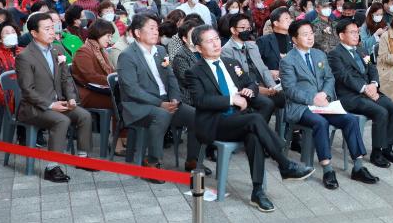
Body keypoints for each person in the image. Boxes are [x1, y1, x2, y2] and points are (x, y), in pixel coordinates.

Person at [185, 25, 314, 212]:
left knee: (254, 135)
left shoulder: (231, 63)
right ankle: (284, 164)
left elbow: (250, 84)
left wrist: (248, 92)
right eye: (209, 41)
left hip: (238, 119)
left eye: (216, 39)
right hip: (214, 123)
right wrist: (232, 99)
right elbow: (200, 100)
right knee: (254, 120)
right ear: (198, 48)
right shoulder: (195, 71)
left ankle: (257, 191)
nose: (215, 44)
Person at [280, 20, 379, 189]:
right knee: (321, 122)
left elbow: (329, 78)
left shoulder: (319, 54)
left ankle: (358, 167)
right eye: (305, 35)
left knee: (350, 120)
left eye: (311, 33)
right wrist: (313, 98)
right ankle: (327, 169)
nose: (310, 37)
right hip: (301, 106)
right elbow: (290, 89)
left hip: (324, 103)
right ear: (294, 39)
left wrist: (324, 94)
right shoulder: (288, 60)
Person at [116, 14, 201, 179]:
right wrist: (159, 103)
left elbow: (171, 78)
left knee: (196, 116)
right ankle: (152, 162)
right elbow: (132, 89)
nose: (156, 32)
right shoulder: (127, 56)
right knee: (161, 115)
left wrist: (175, 98)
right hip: (139, 105)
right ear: (138, 33)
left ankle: (192, 159)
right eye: (151, 28)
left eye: (157, 28)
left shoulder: (161, 50)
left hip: (165, 102)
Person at [15, 13, 93, 183]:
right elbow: (27, 90)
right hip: (34, 107)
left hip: (59, 102)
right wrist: (51, 105)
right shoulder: (25, 56)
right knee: (61, 121)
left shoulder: (57, 49)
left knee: (84, 115)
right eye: (47, 29)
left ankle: (82, 157)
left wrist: (71, 98)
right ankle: (52, 167)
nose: (52, 32)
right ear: (34, 33)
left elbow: (67, 78)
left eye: (53, 28)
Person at [328, 19, 393, 167]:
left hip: (369, 91)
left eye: (357, 32)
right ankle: (376, 153)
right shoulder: (334, 54)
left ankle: (387, 149)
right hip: (350, 96)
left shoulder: (361, 49)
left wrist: (373, 84)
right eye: (352, 32)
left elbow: (372, 69)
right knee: (381, 112)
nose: (356, 35)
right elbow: (345, 77)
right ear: (341, 35)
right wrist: (366, 89)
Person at [221, 14, 282, 122]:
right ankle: (257, 132)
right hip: (246, 89)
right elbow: (236, 78)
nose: (246, 31)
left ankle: (287, 132)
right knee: (267, 104)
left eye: (248, 28)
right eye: (242, 28)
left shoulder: (252, 46)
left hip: (263, 85)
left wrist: (272, 86)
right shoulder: (226, 50)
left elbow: (263, 68)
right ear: (233, 30)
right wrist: (262, 90)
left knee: (285, 96)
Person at [71, 18, 117, 114]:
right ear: (99, 33)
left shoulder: (101, 50)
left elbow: (111, 71)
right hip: (88, 93)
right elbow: (90, 77)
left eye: (111, 37)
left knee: (127, 98)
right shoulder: (83, 52)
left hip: (101, 89)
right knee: (122, 101)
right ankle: (118, 128)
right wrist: (113, 81)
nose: (110, 40)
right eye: (108, 36)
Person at [0, 22, 21, 115]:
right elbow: (4, 78)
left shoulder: (24, 50)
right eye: (7, 33)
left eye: (13, 32)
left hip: (26, 87)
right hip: (7, 91)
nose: (11, 34)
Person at [257, 7, 293, 75]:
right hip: (271, 82)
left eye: (290, 18)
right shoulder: (263, 41)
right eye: (286, 18)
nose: (290, 21)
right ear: (276, 23)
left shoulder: (293, 40)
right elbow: (256, 64)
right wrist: (269, 72)